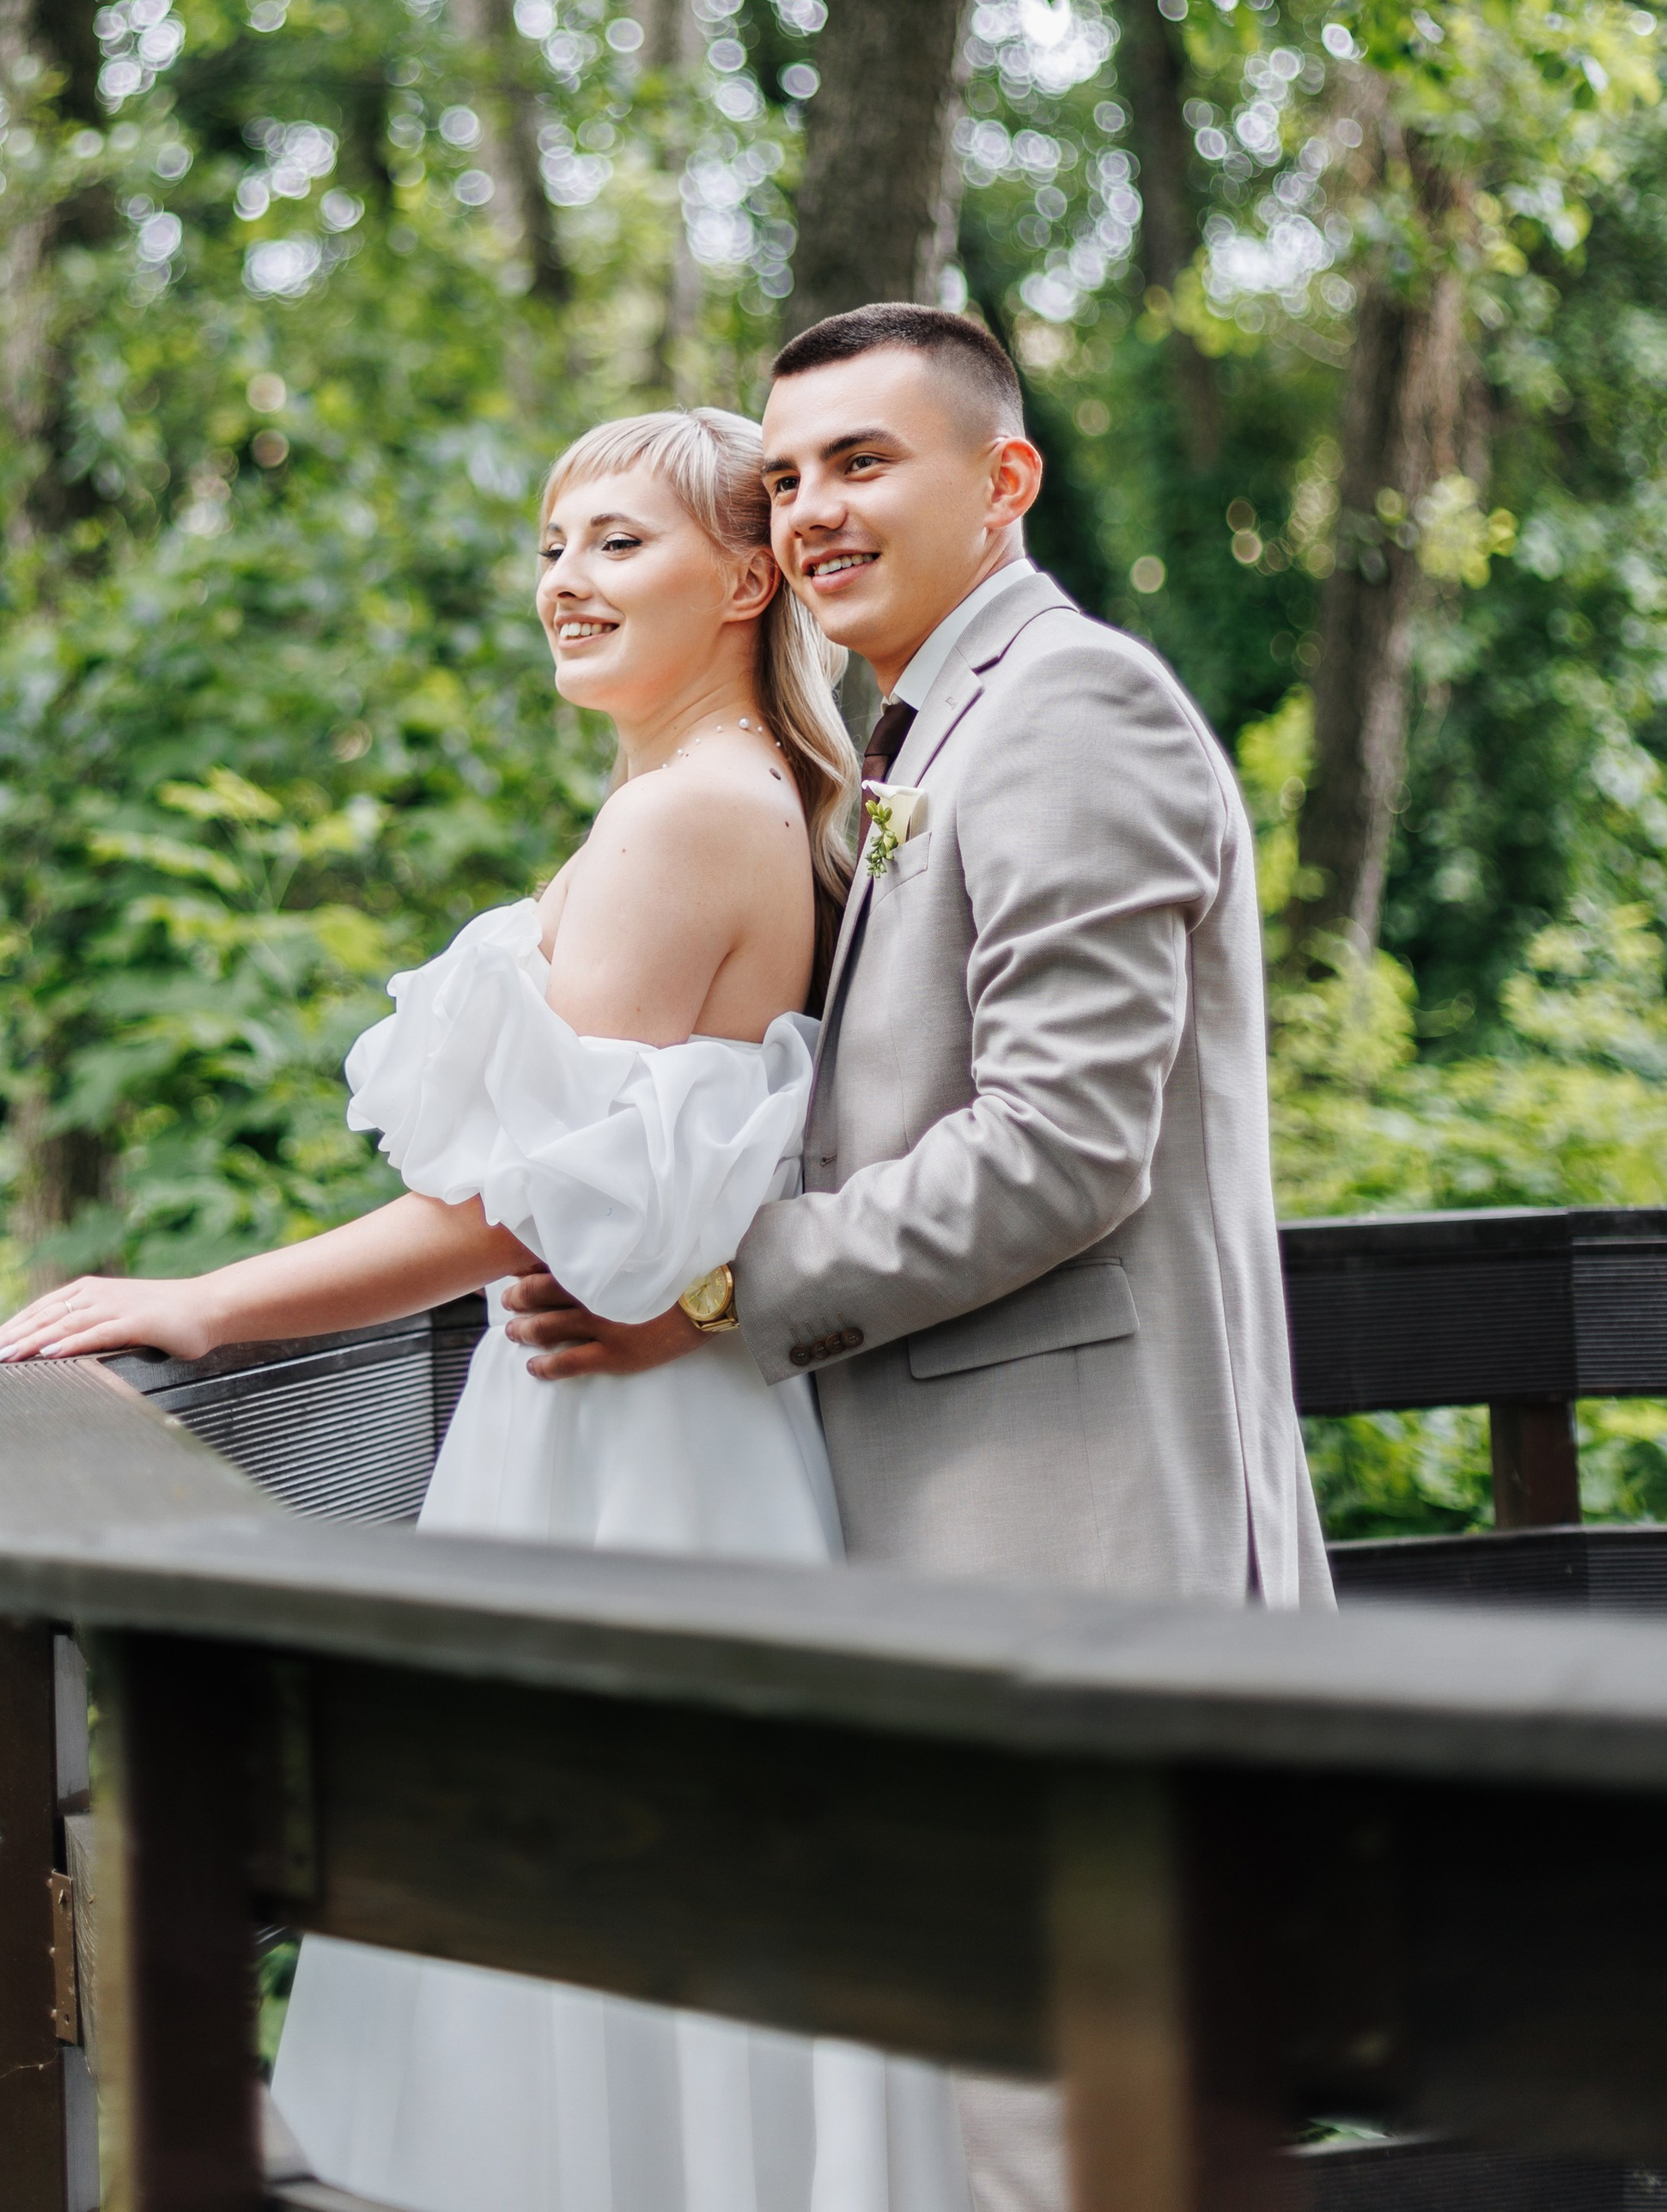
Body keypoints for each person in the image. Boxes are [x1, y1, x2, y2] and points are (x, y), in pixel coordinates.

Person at [0, 402, 976, 2212]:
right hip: (632, 1417)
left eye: (616, 544)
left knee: (583, 1897)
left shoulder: (690, 817)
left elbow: (500, 1211)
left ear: (745, 579)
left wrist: (198, 1307)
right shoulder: (701, 796)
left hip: (629, 1448)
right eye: (549, 545)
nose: (562, 584)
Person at [501, 304, 1335, 2212]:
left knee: (1081, 2131)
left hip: (1080, 1533)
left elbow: (1059, 1150)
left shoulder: (1072, 708)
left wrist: (715, 1289)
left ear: (1004, 479)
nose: (812, 513)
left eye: (863, 463)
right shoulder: (928, 724)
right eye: (787, 477)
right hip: (950, 1530)